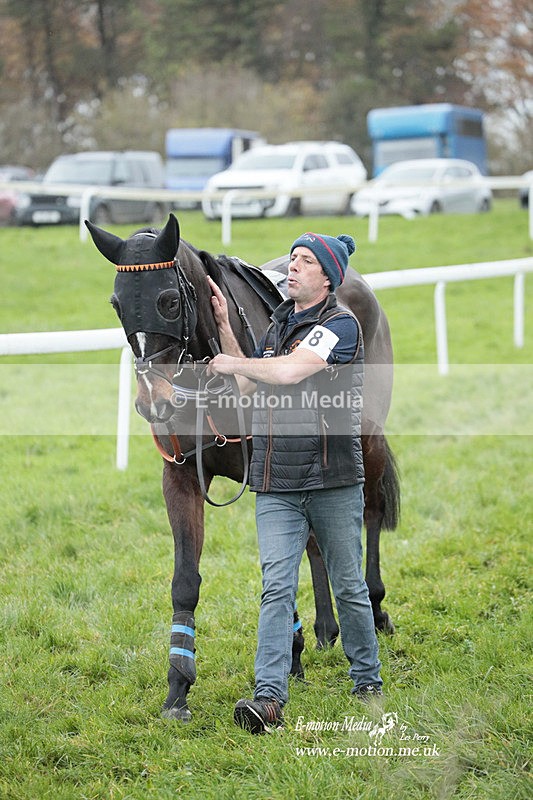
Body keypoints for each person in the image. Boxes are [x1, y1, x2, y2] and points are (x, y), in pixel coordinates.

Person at [207, 231, 382, 735]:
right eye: (291, 259)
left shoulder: (341, 326)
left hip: (333, 481)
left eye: (304, 262)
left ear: (328, 277)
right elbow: (249, 378)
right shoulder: (279, 325)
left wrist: (235, 362)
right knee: (276, 589)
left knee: (348, 587)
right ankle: (268, 699)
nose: (292, 267)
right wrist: (223, 329)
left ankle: (366, 680)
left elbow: (288, 373)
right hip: (275, 482)